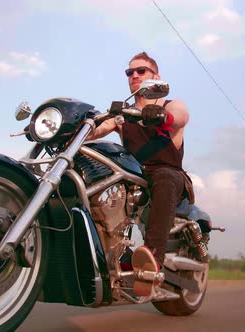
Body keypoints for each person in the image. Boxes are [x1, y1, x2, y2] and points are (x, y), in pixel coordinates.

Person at [89, 52, 194, 296]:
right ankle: (107, 256)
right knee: (96, 187)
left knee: (165, 177)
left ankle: (152, 260)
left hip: (168, 176)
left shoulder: (169, 105)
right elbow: (98, 129)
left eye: (141, 71)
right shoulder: (122, 114)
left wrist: (163, 117)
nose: (134, 75)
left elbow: (181, 116)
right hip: (133, 179)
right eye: (130, 72)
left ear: (155, 77)